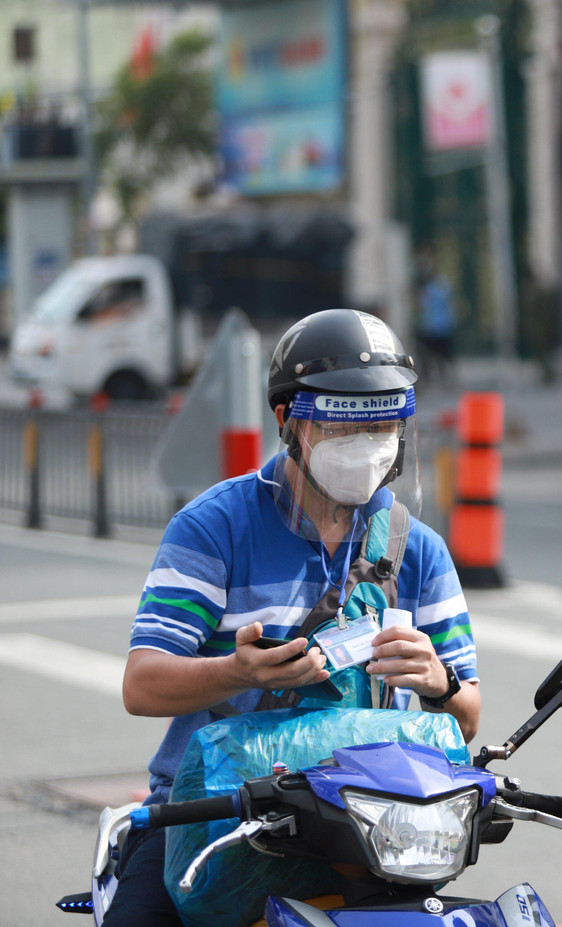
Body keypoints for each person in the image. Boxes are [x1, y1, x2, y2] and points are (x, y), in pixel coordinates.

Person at [105, 308, 481, 926]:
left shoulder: (420, 551)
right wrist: (238, 672)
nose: (367, 444)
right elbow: (141, 685)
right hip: (216, 817)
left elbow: (466, 718)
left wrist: (439, 682)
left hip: (373, 828)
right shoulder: (213, 528)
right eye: (343, 426)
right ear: (287, 420)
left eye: (384, 424)